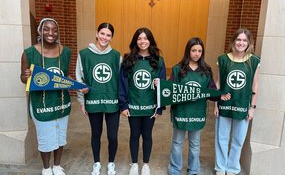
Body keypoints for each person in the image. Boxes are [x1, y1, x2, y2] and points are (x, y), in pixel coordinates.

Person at [168, 38, 230, 175]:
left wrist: (220, 96)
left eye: (200, 51)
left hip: (197, 113)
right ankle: (174, 170)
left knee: (194, 145)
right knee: (177, 144)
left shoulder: (206, 71)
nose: (197, 54)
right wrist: (159, 86)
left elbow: (211, 91)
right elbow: (169, 89)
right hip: (181, 112)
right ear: (188, 51)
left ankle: (193, 170)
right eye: (194, 50)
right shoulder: (178, 69)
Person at [20, 18, 71, 175]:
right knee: (45, 136)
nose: (51, 33)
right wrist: (25, 75)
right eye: (46, 29)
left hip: (61, 101)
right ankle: (46, 168)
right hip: (41, 103)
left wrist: (75, 83)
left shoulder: (66, 51)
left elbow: (65, 76)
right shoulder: (29, 53)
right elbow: (23, 79)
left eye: (54, 30)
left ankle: (57, 165)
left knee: (60, 135)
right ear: (40, 31)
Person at [119, 27, 166, 175]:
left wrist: (160, 107)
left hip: (150, 106)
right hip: (133, 106)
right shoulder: (128, 60)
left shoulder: (158, 61)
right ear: (135, 41)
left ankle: (145, 164)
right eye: (139, 38)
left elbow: (163, 86)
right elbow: (122, 82)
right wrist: (123, 104)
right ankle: (134, 164)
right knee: (134, 134)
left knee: (147, 135)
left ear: (150, 40)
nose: (142, 41)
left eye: (145, 38)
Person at [76, 23, 121, 175]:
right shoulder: (84, 54)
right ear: (96, 34)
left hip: (112, 102)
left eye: (108, 35)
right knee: (96, 134)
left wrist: (123, 102)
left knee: (112, 136)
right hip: (93, 101)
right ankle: (96, 163)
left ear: (112, 37)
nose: (104, 37)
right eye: (102, 33)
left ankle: (111, 163)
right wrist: (82, 101)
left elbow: (121, 80)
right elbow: (79, 78)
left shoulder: (116, 56)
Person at [214, 28, 260, 175]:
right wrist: (215, 104)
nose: (241, 43)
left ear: (249, 43)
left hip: (242, 105)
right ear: (233, 41)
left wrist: (252, 107)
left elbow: (255, 86)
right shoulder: (223, 59)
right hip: (224, 105)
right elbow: (218, 84)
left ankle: (233, 168)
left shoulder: (254, 61)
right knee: (221, 138)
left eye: (244, 40)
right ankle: (220, 167)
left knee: (238, 140)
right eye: (238, 40)